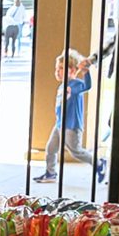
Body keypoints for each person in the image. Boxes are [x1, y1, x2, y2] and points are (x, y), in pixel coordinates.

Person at [35, 50, 98, 184]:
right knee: (51, 148)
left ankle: (97, 163)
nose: (58, 71)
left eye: (62, 68)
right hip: (60, 124)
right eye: (57, 68)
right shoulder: (62, 86)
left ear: (73, 70)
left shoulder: (77, 84)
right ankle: (50, 172)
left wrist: (86, 72)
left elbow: (88, 86)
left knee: (75, 151)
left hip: (72, 125)